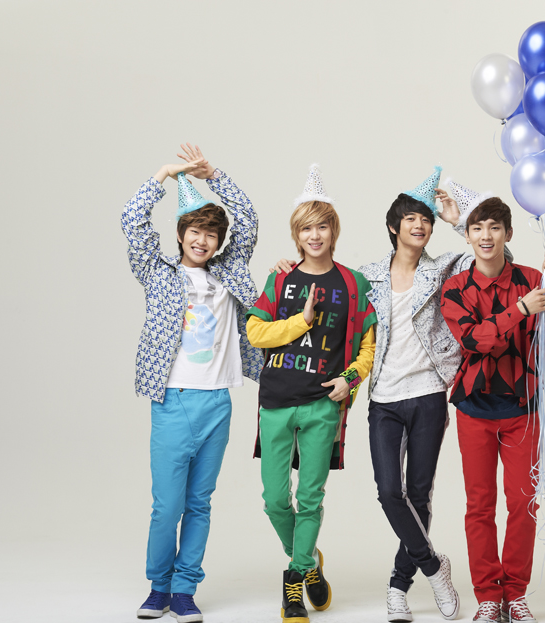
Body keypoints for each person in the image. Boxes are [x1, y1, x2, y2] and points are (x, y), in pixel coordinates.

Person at [270, 170, 513, 622]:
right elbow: (329, 291)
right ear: (393, 226)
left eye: (426, 219)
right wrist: (290, 271)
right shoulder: (366, 277)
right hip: (383, 396)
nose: (419, 225)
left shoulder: (445, 268)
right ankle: (434, 566)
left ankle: (399, 585)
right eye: (410, 219)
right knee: (388, 492)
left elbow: (497, 256)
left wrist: (460, 222)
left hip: (429, 393)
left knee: (418, 494)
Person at [121, 145, 263, 623]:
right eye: (195, 231)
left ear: (218, 241)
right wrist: (163, 174)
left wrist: (214, 175)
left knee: (199, 503)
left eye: (210, 234)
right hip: (173, 399)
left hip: (217, 401)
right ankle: (158, 587)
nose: (202, 240)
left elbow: (249, 220)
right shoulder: (157, 272)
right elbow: (132, 222)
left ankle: (185, 589)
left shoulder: (229, 271)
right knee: (167, 506)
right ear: (181, 233)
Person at [245, 164, 377, 623]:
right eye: (306, 228)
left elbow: (368, 346)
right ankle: (309, 561)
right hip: (276, 401)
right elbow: (255, 332)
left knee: (312, 497)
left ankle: (295, 579)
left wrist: (350, 380)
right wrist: (300, 322)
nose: (315, 235)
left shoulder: (353, 283)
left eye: (322, 226)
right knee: (275, 499)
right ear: (296, 235)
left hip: (323, 404)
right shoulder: (281, 280)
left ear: (333, 231)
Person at [440, 194, 545, 623]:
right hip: (474, 409)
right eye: (477, 228)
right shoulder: (455, 289)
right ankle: (487, 597)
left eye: (494, 227)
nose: (486, 235)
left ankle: (514, 594)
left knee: (523, 503)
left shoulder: (532, 278)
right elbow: (474, 340)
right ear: (467, 236)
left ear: (508, 234)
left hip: (522, 411)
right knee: (479, 506)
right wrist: (521, 309)